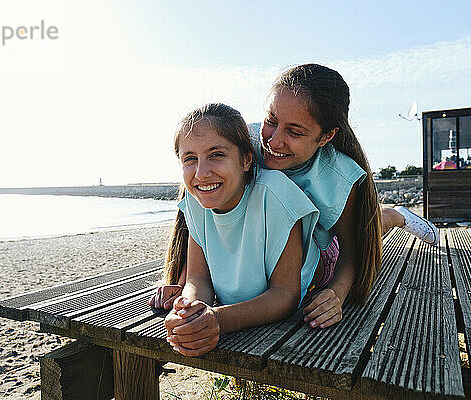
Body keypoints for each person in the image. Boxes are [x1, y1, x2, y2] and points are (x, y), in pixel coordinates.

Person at [150, 63, 439, 330]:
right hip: (263, 243)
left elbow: (352, 249)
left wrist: (336, 294)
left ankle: (395, 215)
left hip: (320, 249)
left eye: (294, 132)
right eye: (271, 120)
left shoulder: (338, 177)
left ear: (326, 136)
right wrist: (182, 282)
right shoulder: (245, 143)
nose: (274, 141)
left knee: (373, 225)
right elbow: (201, 215)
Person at [162, 103, 322, 356]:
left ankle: (389, 217)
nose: (201, 173)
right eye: (190, 159)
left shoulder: (276, 195)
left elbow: (285, 294)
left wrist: (218, 320)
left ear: (246, 159)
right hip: (245, 301)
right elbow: (198, 277)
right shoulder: (196, 200)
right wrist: (188, 310)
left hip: (320, 274)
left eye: (216, 155)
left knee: (373, 229)